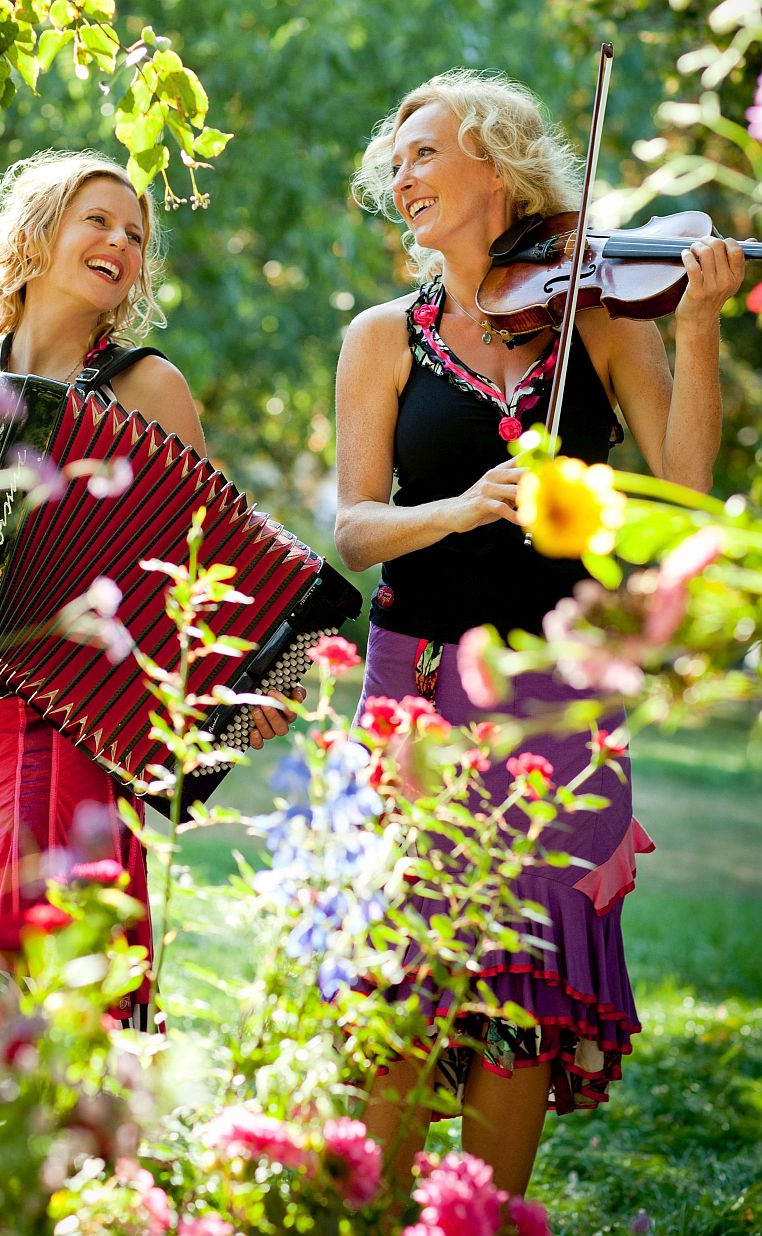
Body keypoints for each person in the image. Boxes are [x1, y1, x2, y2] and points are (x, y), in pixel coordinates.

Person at [334, 69, 746, 1200]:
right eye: (397, 162)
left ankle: (478, 1218)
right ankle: (373, 1218)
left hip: (563, 685)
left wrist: (698, 326)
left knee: (523, 980)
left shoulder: (603, 319)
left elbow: (685, 493)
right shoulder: (382, 338)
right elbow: (355, 527)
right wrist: (460, 508)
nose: (403, 177)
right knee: (408, 977)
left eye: (426, 152)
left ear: (498, 163)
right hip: (419, 680)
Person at [0, 149, 297, 1031]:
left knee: (55, 1002)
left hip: (73, 735)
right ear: (39, 236)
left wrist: (254, 682)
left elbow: (216, 563)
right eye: (99, 221)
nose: (121, 242)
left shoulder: (147, 385)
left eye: (136, 235)